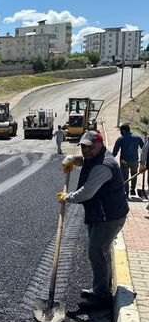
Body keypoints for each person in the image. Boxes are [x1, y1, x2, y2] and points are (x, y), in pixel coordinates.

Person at [57, 130, 128, 310]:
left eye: (90, 147)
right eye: (83, 146)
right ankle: (100, 288)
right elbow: (86, 160)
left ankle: (102, 296)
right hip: (101, 214)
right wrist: (73, 159)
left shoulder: (104, 165)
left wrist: (67, 197)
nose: (86, 150)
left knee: (96, 251)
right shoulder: (96, 157)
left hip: (109, 217)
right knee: (98, 252)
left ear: (100, 145)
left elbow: (86, 193)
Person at [112, 124, 145, 197]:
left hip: (124, 161)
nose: (120, 132)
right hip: (135, 161)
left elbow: (115, 152)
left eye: (120, 130)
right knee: (134, 174)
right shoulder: (137, 137)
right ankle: (133, 189)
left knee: (124, 176)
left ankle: (126, 192)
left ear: (123, 130)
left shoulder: (121, 138)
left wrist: (109, 159)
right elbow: (144, 147)